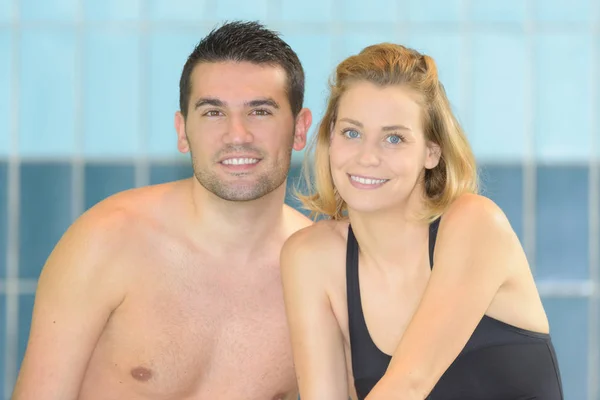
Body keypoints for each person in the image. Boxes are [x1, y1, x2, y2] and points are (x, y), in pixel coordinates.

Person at [13, 21, 313, 400]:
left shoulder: (314, 274)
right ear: (182, 131)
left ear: (300, 130)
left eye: (260, 112)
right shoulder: (108, 241)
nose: (237, 134)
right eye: (213, 113)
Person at [281, 43, 563, 400]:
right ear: (330, 137)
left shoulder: (474, 224)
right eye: (352, 132)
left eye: (394, 138)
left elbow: (408, 386)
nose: (367, 156)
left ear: (431, 151)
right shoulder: (311, 257)